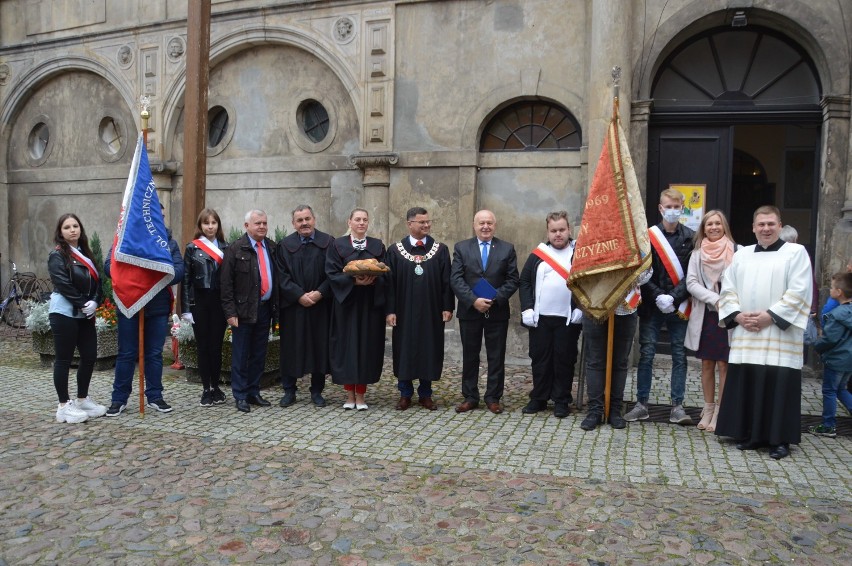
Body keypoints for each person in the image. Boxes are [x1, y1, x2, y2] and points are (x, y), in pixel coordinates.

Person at [715, 205, 813, 460]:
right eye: (761, 224)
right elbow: (727, 289)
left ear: (780, 225)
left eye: (771, 224)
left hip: (779, 334)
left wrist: (770, 316)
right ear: (753, 228)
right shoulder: (742, 255)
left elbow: (800, 290)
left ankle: (779, 440)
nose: (766, 228)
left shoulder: (796, 253)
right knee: (751, 380)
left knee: (777, 384)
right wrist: (737, 315)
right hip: (747, 333)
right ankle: (752, 434)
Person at [106, 205, 184, 416]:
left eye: (160, 214)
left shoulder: (168, 242)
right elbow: (108, 266)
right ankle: (119, 399)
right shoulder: (124, 239)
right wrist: (133, 271)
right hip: (129, 305)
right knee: (126, 353)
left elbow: (178, 270)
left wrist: (154, 274)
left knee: (154, 354)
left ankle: (155, 396)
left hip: (156, 306)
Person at [625, 188, 695, 425]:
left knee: (679, 355)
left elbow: (692, 275)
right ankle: (641, 404)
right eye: (669, 206)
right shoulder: (648, 237)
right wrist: (657, 296)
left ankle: (677, 406)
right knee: (646, 354)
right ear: (661, 208)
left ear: (682, 208)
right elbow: (642, 272)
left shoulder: (691, 237)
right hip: (652, 306)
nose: (673, 211)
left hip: (679, 305)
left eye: (677, 207)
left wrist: (673, 298)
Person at [450, 209, 520, 414]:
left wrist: (494, 299)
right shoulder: (462, 248)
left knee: (496, 356)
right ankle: (470, 396)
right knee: (470, 355)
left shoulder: (507, 249)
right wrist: (473, 300)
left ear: (495, 225)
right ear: (474, 225)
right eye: (481, 223)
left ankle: (493, 397)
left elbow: (513, 279)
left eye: (489, 223)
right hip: (469, 311)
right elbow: (456, 278)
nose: (485, 227)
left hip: (497, 311)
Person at [385, 207, 454, 411]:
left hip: (431, 311)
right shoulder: (395, 251)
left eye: (428, 222)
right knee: (404, 349)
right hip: (403, 312)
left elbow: (446, 281)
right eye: (422, 222)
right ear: (410, 224)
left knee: (429, 349)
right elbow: (389, 284)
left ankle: (426, 394)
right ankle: (405, 393)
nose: (426, 225)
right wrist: (390, 310)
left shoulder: (440, 250)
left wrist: (447, 306)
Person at [518, 211, 582, 419]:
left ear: (569, 230)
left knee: (564, 359)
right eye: (553, 231)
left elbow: (587, 282)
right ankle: (539, 398)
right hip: (541, 319)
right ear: (548, 232)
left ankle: (562, 400)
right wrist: (527, 308)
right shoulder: (539, 254)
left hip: (567, 319)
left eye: (562, 230)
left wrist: (581, 307)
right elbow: (525, 281)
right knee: (540, 359)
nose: (558, 234)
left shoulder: (578, 253)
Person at [326, 208, 388, 410]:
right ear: (349, 222)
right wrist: (353, 282)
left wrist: (370, 281)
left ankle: (361, 396)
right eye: (357, 219)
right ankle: (349, 396)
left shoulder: (377, 246)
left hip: (370, 306)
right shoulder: (337, 245)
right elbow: (332, 273)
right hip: (346, 306)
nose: (361, 223)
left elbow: (385, 273)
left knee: (366, 348)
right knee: (347, 348)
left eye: (365, 220)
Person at [47, 213, 106, 423]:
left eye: (75, 226)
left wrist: (95, 302)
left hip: (85, 313)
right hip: (64, 313)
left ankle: (82, 399)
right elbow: (63, 283)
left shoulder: (86, 253)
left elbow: (98, 282)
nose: (72, 230)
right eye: (67, 227)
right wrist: (83, 303)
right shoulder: (57, 255)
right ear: (60, 232)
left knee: (89, 356)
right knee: (63, 359)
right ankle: (63, 405)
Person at [580, 268, 653, 431]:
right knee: (595, 360)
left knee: (620, 362)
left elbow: (647, 271)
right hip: (595, 303)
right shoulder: (588, 241)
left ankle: (615, 410)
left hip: (625, 307)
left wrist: (620, 280)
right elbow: (578, 268)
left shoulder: (638, 241)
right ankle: (595, 411)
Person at [274, 205, 332, 408]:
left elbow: (333, 272)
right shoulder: (284, 245)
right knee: (291, 347)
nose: (304, 223)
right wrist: (299, 295)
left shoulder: (328, 243)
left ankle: (317, 391)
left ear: (314, 219)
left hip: (320, 306)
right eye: (300, 220)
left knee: (319, 347)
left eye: (307, 218)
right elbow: (281, 276)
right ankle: (289, 390)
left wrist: (319, 293)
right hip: (294, 307)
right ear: (293, 223)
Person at [221, 210, 277, 413]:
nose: (262, 226)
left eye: (264, 223)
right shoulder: (235, 249)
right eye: (257, 223)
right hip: (243, 311)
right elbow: (226, 285)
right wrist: (230, 313)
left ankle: (254, 391)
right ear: (246, 226)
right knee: (241, 354)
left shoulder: (271, 247)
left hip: (264, 309)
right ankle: (240, 395)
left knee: (259, 354)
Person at [685, 210, 736, 432]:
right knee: (707, 363)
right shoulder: (697, 254)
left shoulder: (737, 252)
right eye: (709, 224)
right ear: (703, 228)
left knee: (724, 364)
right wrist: (715, 299)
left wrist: (726, 302)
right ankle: (707, 408)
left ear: (724, 226)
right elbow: (691, 283)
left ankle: (721, 411)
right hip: (707, 314)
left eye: (718, 223)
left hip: (729, 316)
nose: (714, 227)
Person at [182, 208, 229, 407]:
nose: (210, 226)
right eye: (206, 223)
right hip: (199, 302)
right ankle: (205, 389)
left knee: (216, 347)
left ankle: (216, 386)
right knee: (203, 347)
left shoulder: (227, 248)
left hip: (219, 303)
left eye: (214, 223)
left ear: (218, 225)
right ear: (200, 226)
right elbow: (185, 280)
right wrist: (185, 309)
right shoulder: (192, 248)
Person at [808, 272, 852, 437]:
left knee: (830, 390)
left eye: (832, 287)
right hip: (849, 360)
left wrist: (817, 346)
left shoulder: (837, 314)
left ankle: (828, 425)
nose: (831, 290)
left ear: (839, 292)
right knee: (841, 389)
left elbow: (829, 338)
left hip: (836, 359)